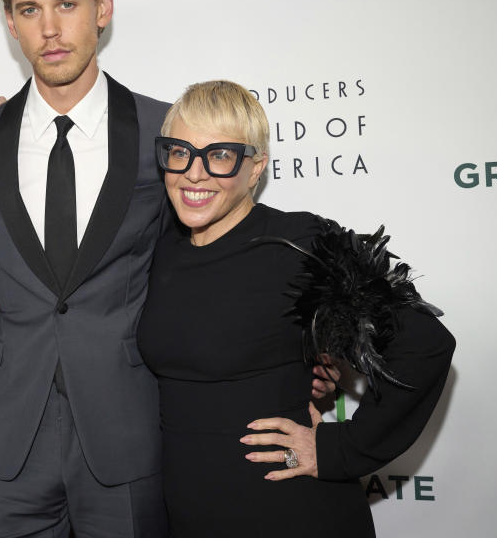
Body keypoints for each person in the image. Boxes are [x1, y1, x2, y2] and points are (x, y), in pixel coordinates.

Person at [0, 0, 336, 537]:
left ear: (103, 8)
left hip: (128, 429)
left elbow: (219, 258)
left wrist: (312, 349)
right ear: (10, 23)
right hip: (8, 434)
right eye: (30, 9)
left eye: (67, 4)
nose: (50, 28)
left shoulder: (166, 136)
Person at [137, 80, 455, 536]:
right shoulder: (160, 247)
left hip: (288, 509)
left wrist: (340, 450)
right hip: (187, 510)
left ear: (255, 167)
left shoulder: (298, 244)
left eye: (221, 155)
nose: (195, 172)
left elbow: (425, 345)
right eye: (180, 151)